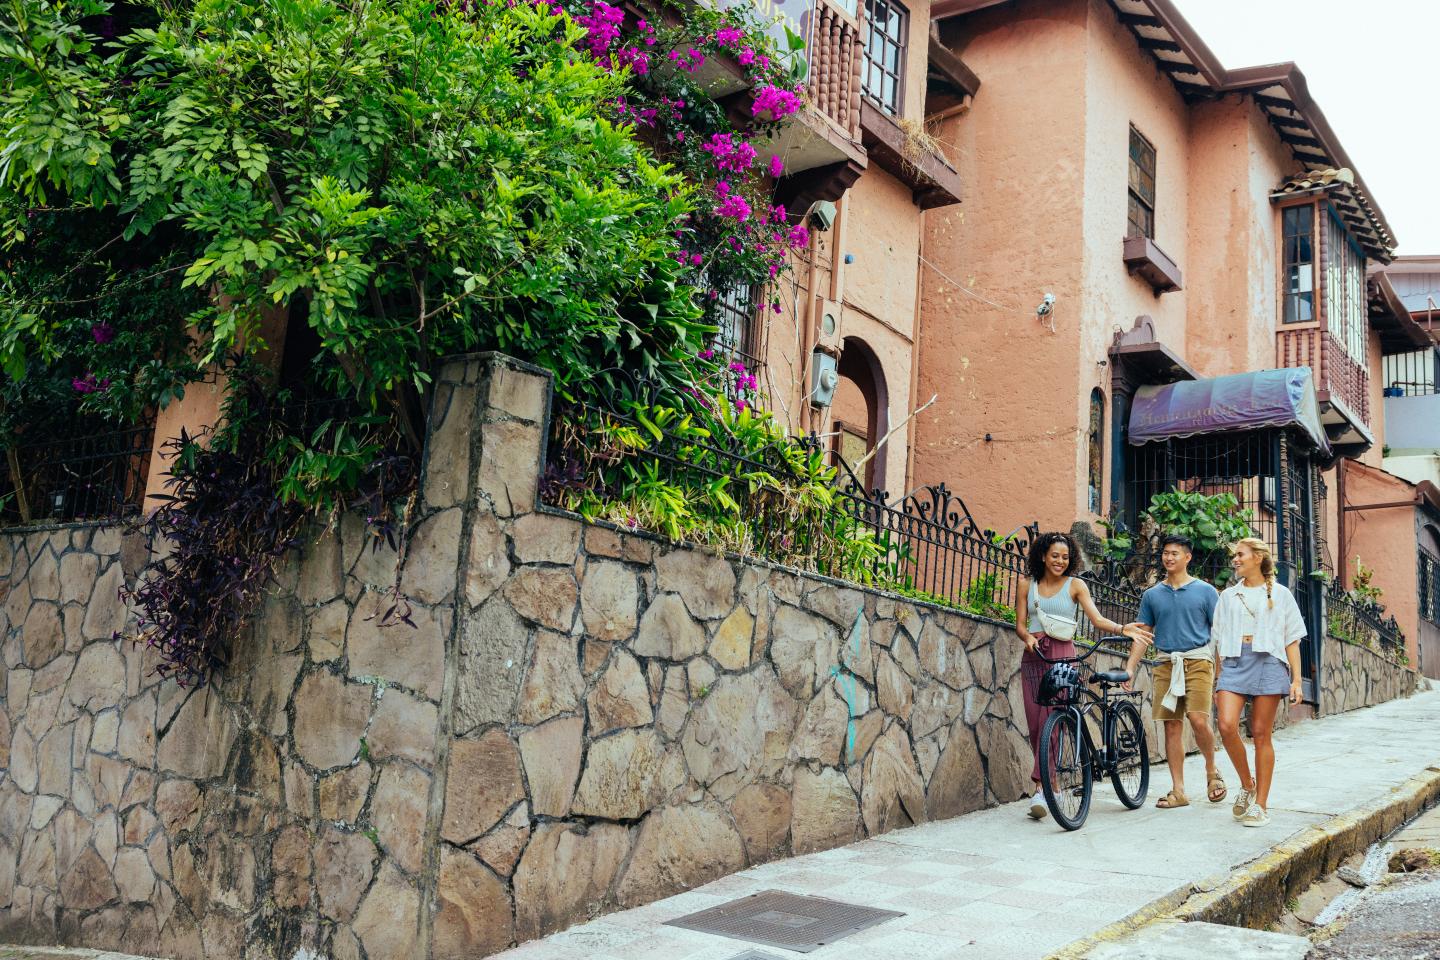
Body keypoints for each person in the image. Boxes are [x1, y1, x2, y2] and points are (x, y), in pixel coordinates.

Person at [1017, 531, 1151, 820]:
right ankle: (1052, 784)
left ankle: (1042, 789)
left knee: (1051, 719)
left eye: (1065, 557)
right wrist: (1027, 636)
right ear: (1042, 555)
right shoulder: (1026, 584)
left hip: (1064, 655)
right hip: (1034, 657)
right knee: (1035, 725)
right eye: (1055, 555)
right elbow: (1019, 625)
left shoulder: (1075, 585)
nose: (1060, 561)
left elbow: (1097, 619)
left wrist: (1122, 629)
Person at [1122, 534, 1224, 810]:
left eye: (1175, 553)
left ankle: (1212, 772)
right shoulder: (1152, 595)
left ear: (1188, 557)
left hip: (1199, 661)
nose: (1168, 557)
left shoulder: (1205, 591)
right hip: (1166, 664)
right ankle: (1178, 790)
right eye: (1166, 553)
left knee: (1198, 719)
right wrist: (1130, 668)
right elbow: (1143, 634)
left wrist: (1222, 674)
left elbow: (1220, 633)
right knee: (1171, 725)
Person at [1212, 537, 1306, 827]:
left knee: (1261, 734)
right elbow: (1217, 637)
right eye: (1235, 556)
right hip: (1234, 661)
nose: (1235, 560)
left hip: (1269, 661)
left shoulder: (1280, 594)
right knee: (1227, 726)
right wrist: (1218, 676)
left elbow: (1292, 639)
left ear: (1257, 558)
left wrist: (1297, 679)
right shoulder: (1228, 596)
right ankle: (1247, 784)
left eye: (1240, 555)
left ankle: (1261, 805)